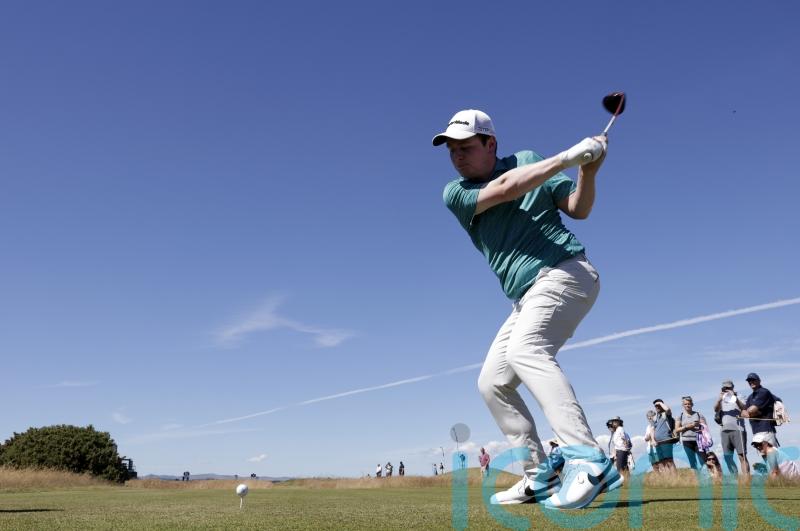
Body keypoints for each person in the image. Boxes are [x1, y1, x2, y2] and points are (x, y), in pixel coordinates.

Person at [434, 109, 618, 509]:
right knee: (492, 383)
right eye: (451, 150)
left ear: (491, 144)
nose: (457, 156)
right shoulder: (456, 193)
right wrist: (568, 157)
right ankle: (539, 476)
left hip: (565, 272)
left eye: (465, 147)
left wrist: (588, 170)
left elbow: (578, 208)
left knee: (526, 351)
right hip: (525, 297)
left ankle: (589, 460)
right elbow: (506, 189)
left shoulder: (529, 160)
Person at [714, 379, 749, 476]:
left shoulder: (740, 396)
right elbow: (716, 409)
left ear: (733, 387)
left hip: (738, 429)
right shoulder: (722, 398)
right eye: (725, 388)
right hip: (724, 431)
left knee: (742, 456)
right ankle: (735, 478)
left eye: (728, 388)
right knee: (727, 457)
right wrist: (719, 399)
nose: (727, 389)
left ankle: (746, 479)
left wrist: (735, 398)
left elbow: (744, 408)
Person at [742, 373, 780, 452]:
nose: (751, 382)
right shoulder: (750, 397)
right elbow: (743, 413)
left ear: (759, 381)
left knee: (772, 456)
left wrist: (752, 413)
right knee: (764, 455)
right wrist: (754, 413)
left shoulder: (764, 392)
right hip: (756, 431)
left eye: (753, 380)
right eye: (749, 381)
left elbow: (751, 410)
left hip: (766, 429)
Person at [675, 396, 708, 470]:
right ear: (683, 405)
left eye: (689, 404)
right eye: (685, 404)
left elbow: (705, 427)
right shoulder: (680, 416)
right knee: (692, 461)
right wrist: (687, 427)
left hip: (699, 440)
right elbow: (677, 429)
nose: (687, 405)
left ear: (692, 404)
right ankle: (696, 475)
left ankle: (707, 475)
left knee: (703, 460)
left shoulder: (698, 415)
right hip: (686, 441)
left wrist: (698, 425)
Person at [651, 399, 677, 472]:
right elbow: (652, 429)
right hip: (657, 443)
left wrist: (660, 403)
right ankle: (668, 478)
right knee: (663, 462)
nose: (657, 407)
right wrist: (653, 440)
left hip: (666, 440)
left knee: (669, 461)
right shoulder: (655, 417)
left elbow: (667, 409)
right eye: (655, 406)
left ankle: (675, 478)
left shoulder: (666, 414)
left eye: (658, 405)